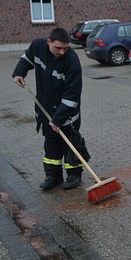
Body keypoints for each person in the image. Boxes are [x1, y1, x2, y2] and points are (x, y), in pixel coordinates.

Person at [12, 27, 84, 190]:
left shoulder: (71, 61)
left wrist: (58, 119)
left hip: (67, 112)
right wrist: (19, 73)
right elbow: (26, 59)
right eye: (58, 48)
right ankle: (53, 176)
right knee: (51, 144)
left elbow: (72, 95)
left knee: (70, 144)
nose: (62, 52)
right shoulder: (37, 46)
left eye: (66, 48)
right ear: (49, 42)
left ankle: (74, 176)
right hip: (45, 107)